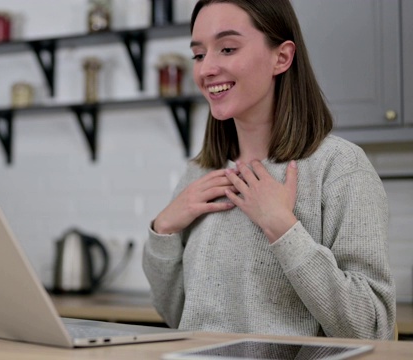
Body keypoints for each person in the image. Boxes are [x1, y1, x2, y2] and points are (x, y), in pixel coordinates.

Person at [142, 0, 395, 340]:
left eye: (227, 48)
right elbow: (179, 316)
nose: (206, 70)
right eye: (199, 55)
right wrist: (164, 229)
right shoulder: (200, 173)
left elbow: (372, 326)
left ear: (282, 57)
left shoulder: (339, 168)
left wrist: (282, 228)